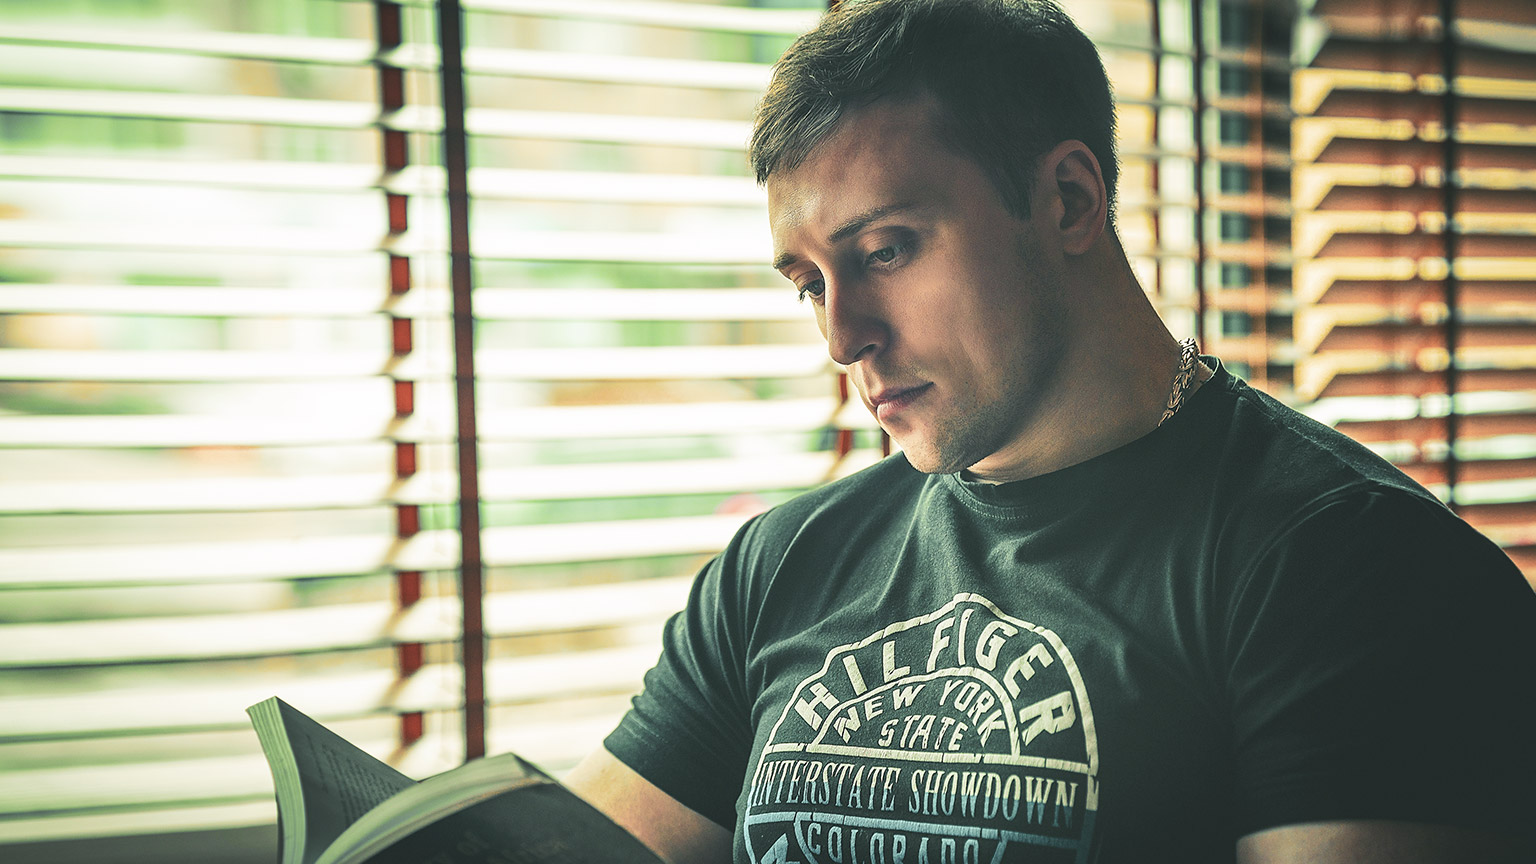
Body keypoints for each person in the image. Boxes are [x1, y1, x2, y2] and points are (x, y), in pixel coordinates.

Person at [565, 1, 1536, 861]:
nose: (842, 334)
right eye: (812, 283)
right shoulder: (781, 566)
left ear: (1067, 201)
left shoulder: (1352, 569)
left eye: (885, 251)